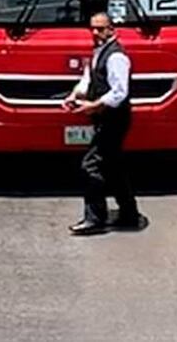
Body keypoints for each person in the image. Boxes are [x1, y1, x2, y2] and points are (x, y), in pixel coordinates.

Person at [62, 12, 145, 236]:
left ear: (112, 29)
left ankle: (95, 219)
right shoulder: (99, 52)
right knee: (113, 166)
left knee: (91, 165)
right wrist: (75, 96)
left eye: (100, 29)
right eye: (93, 28)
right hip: (104, 118)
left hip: (114, 119)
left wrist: (94, 105)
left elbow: (119, 92)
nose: (95, 33)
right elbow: (88, 79)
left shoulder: (116, 57)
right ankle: (129, 214)